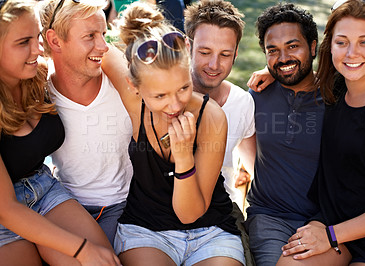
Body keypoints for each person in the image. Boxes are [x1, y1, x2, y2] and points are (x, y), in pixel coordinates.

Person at [103, 2, 245, 265]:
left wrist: (184, 157)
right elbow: (99, 48)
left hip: (211, 232)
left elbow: (189, 214)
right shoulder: (135, 102)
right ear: (134, 86)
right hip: (145, 231)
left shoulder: (211, 117)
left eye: (183, 88)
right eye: (160, 95)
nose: (175, 104)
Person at [279, 0, 365, 265]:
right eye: (342, 42)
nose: (351, 54)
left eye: (364, 42)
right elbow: (301, 73)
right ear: (330, 45)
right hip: (334, 217)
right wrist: (270, 71)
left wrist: (331, 236)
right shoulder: (337, 85)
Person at [0, 0, 119, 265]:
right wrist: (81, 249)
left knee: (105, 261)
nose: (37, 49)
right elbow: (6, 209)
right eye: (23, 42)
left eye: (37, 37)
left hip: (43, 188)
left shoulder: (38, 77)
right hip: (3, 210)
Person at [39, 0, 133, 245]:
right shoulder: (38, 87)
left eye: (103, 33)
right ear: (55, 40)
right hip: (64, 204)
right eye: (90, 35)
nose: (103, 46)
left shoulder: (119, 77)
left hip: (123, 205)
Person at [244, 3, 325, 266]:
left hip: (325, 219)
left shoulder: (339, 97)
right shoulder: (256, 94)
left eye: (293, 47)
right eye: (273, 51)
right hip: (269, 217)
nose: (283, 58)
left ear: (313, 47)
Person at [184, 1, 256, 264]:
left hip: (218, 217)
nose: (214, 64)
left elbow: (254, 164)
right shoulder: (163, 95)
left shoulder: (243, 102)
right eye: (205, 52)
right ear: (187, 46)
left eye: (225, 54)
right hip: (157, 214)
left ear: (236, 54)